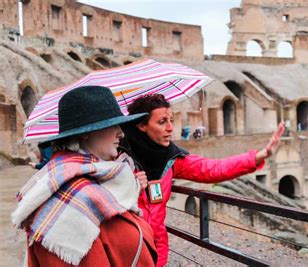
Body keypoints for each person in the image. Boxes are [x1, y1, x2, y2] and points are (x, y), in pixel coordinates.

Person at [121, 94, 285, 267]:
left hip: (157, 250)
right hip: (127, 250)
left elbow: (213, 169)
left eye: (171, 120)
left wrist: (259, 156)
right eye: (162, 122)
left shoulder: (172, 159)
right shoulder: (117, 158)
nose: (170, 128)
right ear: (141, 125)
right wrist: (127, 185)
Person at [11, 86, 157, 266]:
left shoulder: (101, 178)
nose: (121, 133)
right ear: (87, 132)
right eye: (113, 125)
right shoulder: (67, 197)